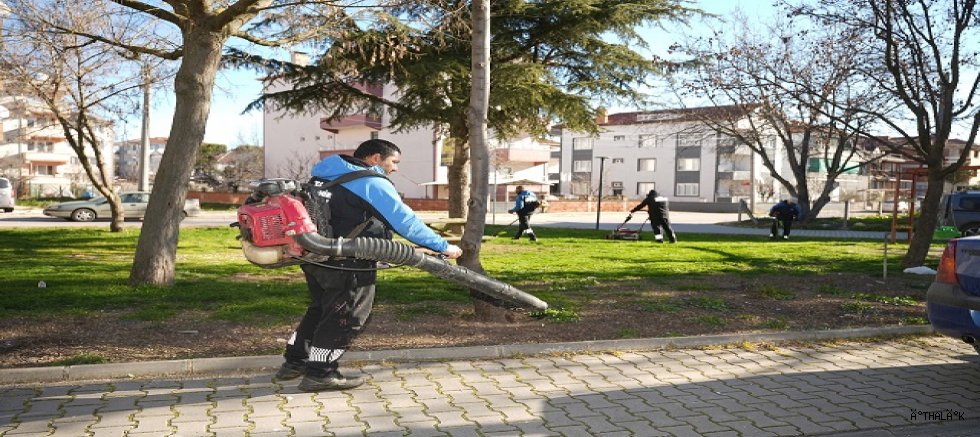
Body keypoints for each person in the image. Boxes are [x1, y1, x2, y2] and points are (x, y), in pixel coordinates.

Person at [275, 139, 463, 392]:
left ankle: (294, 362)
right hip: (349, 262)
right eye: (393, 162)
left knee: (320, 310)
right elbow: (405, 221)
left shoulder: (322, 176)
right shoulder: (368, 181)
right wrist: (443, 246)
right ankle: (320, 372)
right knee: (347, 315)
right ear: (375, 158)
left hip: (315, 256)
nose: (395, 168)